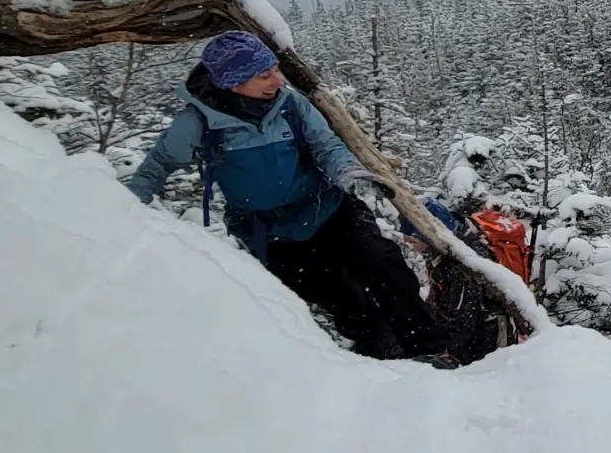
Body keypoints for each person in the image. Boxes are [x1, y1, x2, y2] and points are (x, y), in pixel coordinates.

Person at [126, 31, 438, 360]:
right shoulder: (199, 122)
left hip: (330, 210)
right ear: (234, 83)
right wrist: (121, 209)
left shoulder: (291, 104)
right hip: (272, 235)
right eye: (265, 75)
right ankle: (381, 359)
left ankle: (431, 351)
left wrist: (349, 173)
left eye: (275, 69)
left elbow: (326, 145)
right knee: (342, 300)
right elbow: (157, 166)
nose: (277, 80)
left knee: (386, 269)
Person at [401, 199, 514, 367]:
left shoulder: (463, 262)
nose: (411, 247)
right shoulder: (444, 252)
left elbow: (464, 317)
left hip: (483, 345)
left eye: (412, 241)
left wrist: (441, 350)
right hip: (471, 338)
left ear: (426, 235)